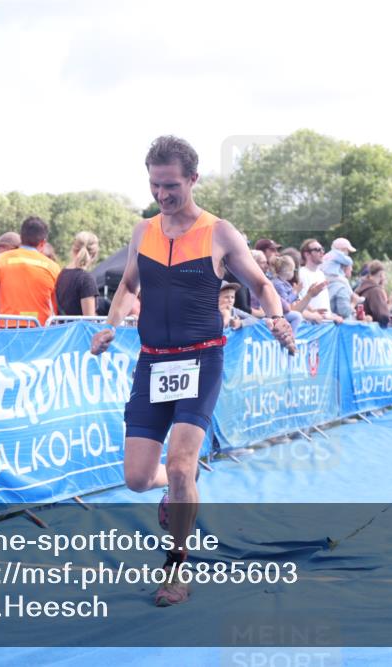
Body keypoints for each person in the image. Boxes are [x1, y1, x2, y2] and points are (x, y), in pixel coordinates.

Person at [89, 136, 295, 607]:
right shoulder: (143, 231)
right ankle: (180, 486)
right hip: (153, 362)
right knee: (139, 478)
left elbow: (261, 284)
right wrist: (110, 327)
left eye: (172, 186)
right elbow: (126, 287)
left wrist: (277, 317)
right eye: (155, 185)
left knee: (181, 464)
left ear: (193, 180)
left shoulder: (220, 232)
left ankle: (176, 568)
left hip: (202, 358)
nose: (162, 195)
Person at [0, 216, 61, 327]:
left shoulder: (1, 260)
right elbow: (56, 305)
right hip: (39, 327)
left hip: (7, 325)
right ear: (43, 243)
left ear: (21, 237)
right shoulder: (53, 267)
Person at [55, 231, 100, 317]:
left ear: (73, 249)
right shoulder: (86, 279)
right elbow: (89, 320)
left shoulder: (61, 274)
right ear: (94, 254)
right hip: (79, 330)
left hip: (62, 329)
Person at [297, 239, 342, 323]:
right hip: (310, 325)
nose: (322, 252)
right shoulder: (301, 273)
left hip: (325, 325)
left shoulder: (321, 274)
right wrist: (313, 314)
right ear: (307, 254)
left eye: (322, 249)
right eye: (317, 250)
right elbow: (300, 302)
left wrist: (331, 316)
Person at [355, 260, 391, 327]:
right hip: (373, 333)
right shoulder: (376, 291)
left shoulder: (359, 289)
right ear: (381, 274)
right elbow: (383, 316)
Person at [323, 249, 355, 320]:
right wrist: (353, 303)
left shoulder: (324, 283)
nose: (352, 269)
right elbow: (344, 312)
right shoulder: (341, 287)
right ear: (343, 267)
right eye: (350, 266)